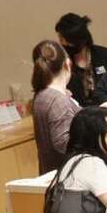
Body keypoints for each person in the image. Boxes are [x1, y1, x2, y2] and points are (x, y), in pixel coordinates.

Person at [31, 40, 80, 174]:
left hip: (54, 176)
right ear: (67, 64)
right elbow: (64, 143)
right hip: (69, 178)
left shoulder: (41, 95)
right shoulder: (57, 100)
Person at [55, 13, 107, 106]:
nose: (61, 43)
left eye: (63, 40)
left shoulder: (105, 56)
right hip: (80, 116)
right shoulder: (62, 64)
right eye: (60, 39)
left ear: (77, 40)